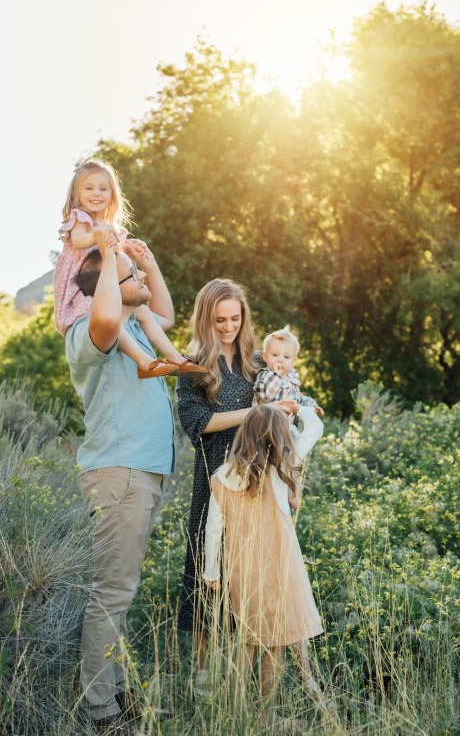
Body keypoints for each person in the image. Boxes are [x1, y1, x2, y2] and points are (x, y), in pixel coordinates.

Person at [65, 227, 175, 734]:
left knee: (122, 590)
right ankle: (101, 711)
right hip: (120, 473)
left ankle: (115, 691)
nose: (139, 277)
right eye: (129, 274)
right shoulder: (94, 329)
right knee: (112, 591)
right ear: (110, 281)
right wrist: (109, 254)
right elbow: (108, 310)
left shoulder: (135, 326)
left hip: (143, 472)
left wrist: (145, 264)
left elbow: (165, 316)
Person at [176, 279, 297, 697]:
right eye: (219, 319)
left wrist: (298, 408)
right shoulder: (192, 365)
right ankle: (205, 677)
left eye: (235, 318)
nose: (228, 326)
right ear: (205, 319)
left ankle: (249, 680)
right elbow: (198, 424)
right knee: (206, 571)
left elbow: (287, 395)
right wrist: (256, 411)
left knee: (255, 570)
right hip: (213, 475)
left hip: (257, 477)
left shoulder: (259, 361)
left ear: (244, 317)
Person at [203, 405, 328, 728]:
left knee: (249, 638)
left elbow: (213, 528)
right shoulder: (281, 466)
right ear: (279, 438)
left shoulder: (222, 475)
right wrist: (301, 406)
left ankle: (232, 706)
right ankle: (265, 715)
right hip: (282, 566)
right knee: (276, 642)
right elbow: (314, 429)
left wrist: (211, 571)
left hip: (243, 570)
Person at [55, 157, 206, 379]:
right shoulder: (80, 218)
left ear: (112, 195)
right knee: (113, 316)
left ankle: (176, 358)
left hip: (99, 281)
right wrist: (95, 236)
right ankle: (144, 361)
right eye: (89, 188)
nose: (96, 193)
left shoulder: (104, 225)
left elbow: (111, 252)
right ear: (77, 194)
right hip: (80, 291)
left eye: (103, 188)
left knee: (142, 310)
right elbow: (78, 242)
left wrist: (129, 248)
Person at [254, 326, 325, 507]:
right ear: (265, 357)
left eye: (286, 357)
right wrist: (277, 374)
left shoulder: (291, 378)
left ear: (293, 360)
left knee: (298, 461)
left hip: (285, 428)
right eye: (275, 355)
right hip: (265, 427)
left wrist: (311, 405)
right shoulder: (267, 376)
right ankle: (267, 488)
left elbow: (298, 398)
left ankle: (293, 493)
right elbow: (265, 395)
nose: (280, 360)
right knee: (277, 462)